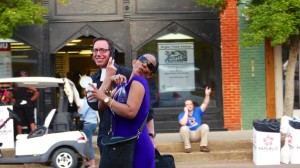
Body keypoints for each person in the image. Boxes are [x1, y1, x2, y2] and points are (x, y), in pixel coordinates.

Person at [86, 37, 157, 156]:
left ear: (111, 53)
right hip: (106, 138)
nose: (98, 54)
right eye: (95, 50)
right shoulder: (93, 79)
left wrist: (151, 135)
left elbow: (147, 110)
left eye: (103, 50)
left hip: (129, 138)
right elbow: (98, 106)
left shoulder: (131, 73)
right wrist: (108, 79)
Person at [178, 86, 211, 153]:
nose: (189, 106)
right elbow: (183, 123)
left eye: (191, 104)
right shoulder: (182, 114)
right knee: (183, 128)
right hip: (188, 135)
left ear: (193, 105)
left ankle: (203, 146)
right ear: (185, 107)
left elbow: (205, 103)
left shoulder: (198, 111)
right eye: (187, 105)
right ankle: (187, 148)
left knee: (205, 126)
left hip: (197, 134)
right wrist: (186, 112)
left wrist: (207, 95)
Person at [78, 96, 98, 168]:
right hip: (93, 123)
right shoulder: (94, 98)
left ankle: (92, 164)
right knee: (87, 143)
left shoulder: (87, 99)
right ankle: (89, 162)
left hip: (88, 124)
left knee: (88, 144)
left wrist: (79, 117)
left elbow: (83, 112)